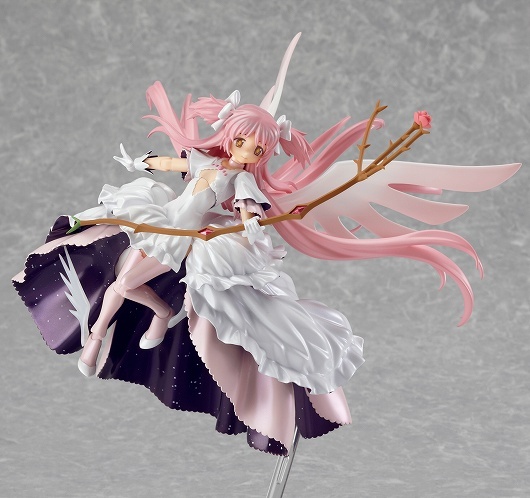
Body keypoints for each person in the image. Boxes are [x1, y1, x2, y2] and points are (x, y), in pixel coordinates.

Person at [12, 34, 519, 455]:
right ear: (229, 135)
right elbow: (176, 163)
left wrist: (252, 223)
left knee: (125, 284)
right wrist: (142, 163)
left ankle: (109, 336)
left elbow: (247, 207)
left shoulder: (241, 179)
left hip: (184, 242)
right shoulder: (207, 162)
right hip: (162, 221)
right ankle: (143, 321)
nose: (247, 152)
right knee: (119, 275)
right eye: (242, 142)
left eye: (257, 149)